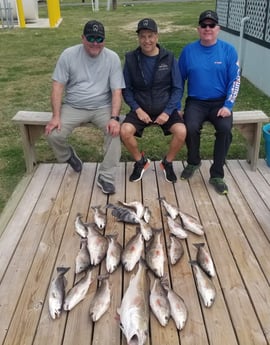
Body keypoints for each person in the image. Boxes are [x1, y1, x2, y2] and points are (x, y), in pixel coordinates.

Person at [45, 20, 125, 195]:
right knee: (53, 134)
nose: (95, 43)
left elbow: (116, 91)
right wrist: (56, 116)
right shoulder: (68, 55)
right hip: (74, 106)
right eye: (91, 38)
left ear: (104, 40)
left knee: (114, 132)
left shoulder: (112, 58)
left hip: (102, 107)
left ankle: (106, 176)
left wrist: (114, 118)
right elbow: (57, 86)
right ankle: (68, 156)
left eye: (99, 38)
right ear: (83, 38)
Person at [178, 10, 240, 195]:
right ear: (198, 29)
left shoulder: (228, 50)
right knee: (190, 126)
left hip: (219, 103)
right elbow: (178, 81)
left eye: (211, 25)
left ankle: (217, 174)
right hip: (196, 102)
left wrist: (228, 106)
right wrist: (177, 106)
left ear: (218, 29)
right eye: (203, 25)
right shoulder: (188, 51)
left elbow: (235, 80)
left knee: (224, 129)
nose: (207, 28)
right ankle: (193, 161)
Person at [120, 18, 186, 183]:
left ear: (156, 36)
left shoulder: (169, 58)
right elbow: (126, 89)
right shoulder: (131, 58)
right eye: (143, 36)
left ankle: (167, 163)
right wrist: (137, 109)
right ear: (138, 38)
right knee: (125, 131)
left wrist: (167, 111)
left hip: (165, 108)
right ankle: (140, 161)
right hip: (141, 108)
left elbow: (178, 88)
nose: (147, 40)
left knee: (182, 131)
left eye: (150, 36)